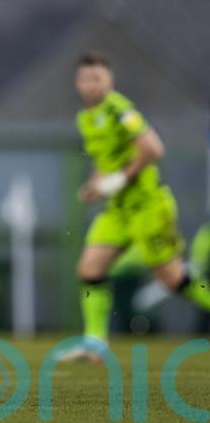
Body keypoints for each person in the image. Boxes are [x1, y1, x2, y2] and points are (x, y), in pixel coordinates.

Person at [58, 52, 210, 362]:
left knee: (173, 278)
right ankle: (95, 344)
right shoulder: (85, 118)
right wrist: (96, 185)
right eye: (85, 79)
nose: (90, 85)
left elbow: (153, 148)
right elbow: (106, 161)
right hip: (117, 211)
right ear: (77, 83)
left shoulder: (119, 109)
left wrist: (119, 179)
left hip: (148, 206)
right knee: (89, 269)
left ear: (109, 81)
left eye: (96, 79)